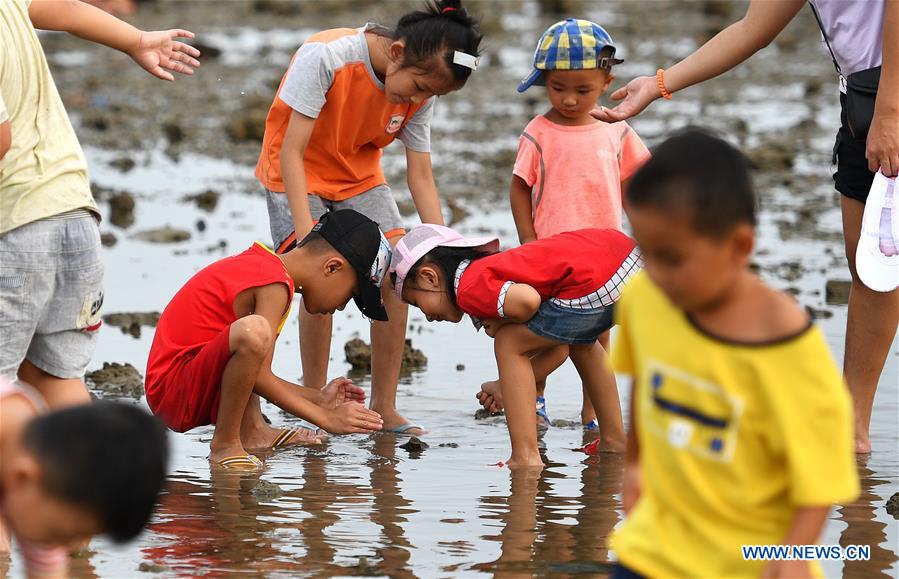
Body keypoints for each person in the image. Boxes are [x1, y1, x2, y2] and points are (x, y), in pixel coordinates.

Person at [590, 0, 898, 454]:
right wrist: (658, 85)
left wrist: (890, 110)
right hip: (861, 98)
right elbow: (754, 27)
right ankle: (851, 429)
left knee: (880, 268)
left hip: (888, 96)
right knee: (868, 265)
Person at [609, 130, 859, 578]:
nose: (655, 274)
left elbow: (822, 470)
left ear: (739, 247)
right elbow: (646, 383)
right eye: (645, 253)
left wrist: (795, 556)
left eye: (673, 258)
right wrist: (634, 464)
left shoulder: (786, 349)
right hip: (650, 551)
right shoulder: (645, 299)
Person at [255, 0, 483, 436]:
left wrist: (439, 250)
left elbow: (420, 174)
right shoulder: (327, 57)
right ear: (396, 52)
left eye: (429, 95)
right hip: (294, 174)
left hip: (359, 177)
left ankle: (385, 405)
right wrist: (309, 239)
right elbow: (291, 152)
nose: (417, 100)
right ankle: (314, 399)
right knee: (319, 275)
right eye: (416, 87)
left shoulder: (422, 91)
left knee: (400, 270)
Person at [0, 0, 199, 410]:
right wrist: (136, 39)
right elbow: (68, 8)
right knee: (55, 380)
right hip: (74, 212)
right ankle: (98, 474)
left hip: (17, 226)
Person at [481, 18, 650, 430]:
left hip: (603, 259)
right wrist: (527, 240)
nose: (570, 100)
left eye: (582, 90)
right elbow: (520, 187)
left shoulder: (616, 130)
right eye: (558, 89)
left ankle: (593, 414)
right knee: (543, 328)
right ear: (544, 82)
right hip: (550, 255)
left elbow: (637, 186)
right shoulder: (539, 132)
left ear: (606, 82)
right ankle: (533, 399)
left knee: (598, 335)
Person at [145, 210, 386, 470]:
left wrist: (318, 397)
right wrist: (325, 417)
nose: (341, 307)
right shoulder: (275, 284)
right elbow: (260, 375)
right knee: (253, 333)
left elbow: (255, 374)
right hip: (173, 392)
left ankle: (253, 432)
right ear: (332, 267)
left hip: (181, 386)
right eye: (350, 294)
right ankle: (226, 444)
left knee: (251, 337)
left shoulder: (268, 267)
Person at [389, 224, 643, 467]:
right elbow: (559, 348)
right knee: (583, 344)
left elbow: (527, 301)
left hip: (596, 282)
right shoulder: (485, 269)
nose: (427, 317)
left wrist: (504, 327)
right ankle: (614, 440)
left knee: (509, 342)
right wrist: (505, 386)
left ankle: (525, 457)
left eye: (416, 302)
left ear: (429, 277)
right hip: (626, 262)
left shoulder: (467, 287)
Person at [0, 377, 169, 578]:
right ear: (23, 478)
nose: (62, 545)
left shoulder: (41, 466)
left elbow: (46, 570)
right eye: (57, 534)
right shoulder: (39, 486)